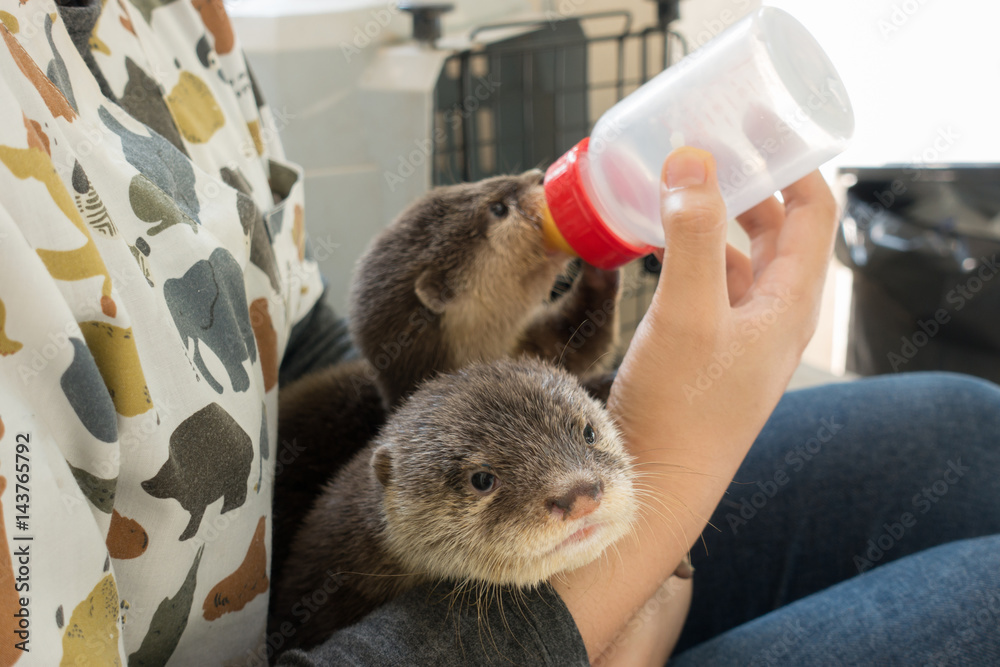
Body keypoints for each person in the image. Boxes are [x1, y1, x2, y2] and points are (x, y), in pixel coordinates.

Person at [0, 1, 995, 666]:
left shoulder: (165, 18)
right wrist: (654, 525)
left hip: (408, 555)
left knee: (964, 428)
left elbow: (287, 347)